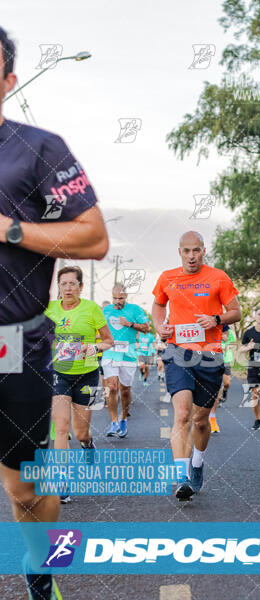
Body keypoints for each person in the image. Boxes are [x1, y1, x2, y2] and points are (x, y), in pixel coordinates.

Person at [0, 26, 108, 600]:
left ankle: (42, 568)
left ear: (8, 81)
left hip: (16, 342)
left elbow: (93, 237)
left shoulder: (38, 148)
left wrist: (13, 229)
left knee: (24, 490)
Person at [152, 231, 241, 500]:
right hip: (178, 352)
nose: (192, 256)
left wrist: (216, 319)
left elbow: (236, 312)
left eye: (196, 250)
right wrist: (160, 326)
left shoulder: (219, 277)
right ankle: (181, 477)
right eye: (186, 251)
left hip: (209, 355)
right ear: (179, 252)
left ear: (204, 251)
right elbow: (158, 305)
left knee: (201, 421)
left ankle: (198, 462)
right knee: (181, 414)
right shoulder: (168, 278)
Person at [45, 266, 113, 502]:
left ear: (81, 286)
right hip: (59, 373)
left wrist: (94, 347)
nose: (68, 288)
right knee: (61, 428)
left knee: (81, 432)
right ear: (59, 287)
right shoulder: (49, 309)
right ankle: (62, 479)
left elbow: (108, 341)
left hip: (89, 373)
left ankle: (88, 444)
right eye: (63, 284)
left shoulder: (92, 309)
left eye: (72, 283)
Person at [102, 283, 149, 437]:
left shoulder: (135, 310)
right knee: (112, 386)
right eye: (114, 298)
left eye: (120, 298)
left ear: (126, 296)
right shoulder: (106, 310)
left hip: (128, 353)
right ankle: (113, 422)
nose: (117, 301)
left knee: (125, 389)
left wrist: (129, 324)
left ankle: (123, 418)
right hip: (110, 352)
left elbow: (147, 328)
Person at [209, 325, 235, 434]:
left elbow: (231, 341)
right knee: (215, 388)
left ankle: (224, 393)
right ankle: (212, 419)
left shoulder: (223, 325)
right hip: (208, 359)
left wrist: (227, 344)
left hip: (224, 359)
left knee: (226, 383)